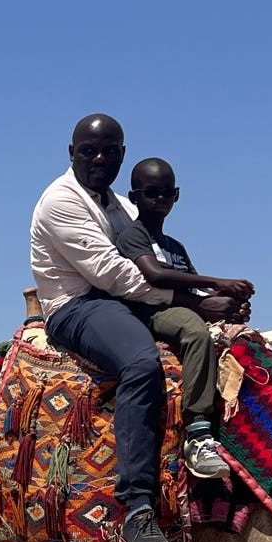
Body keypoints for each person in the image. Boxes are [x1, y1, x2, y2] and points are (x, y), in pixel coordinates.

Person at [28, 116, 180, 542]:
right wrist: (187, 298)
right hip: (77, 306)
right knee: (141, 363)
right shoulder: (61, 202)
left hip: (123, 299)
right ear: (70, 152)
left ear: (123, 154)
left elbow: (151, 255)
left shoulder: (121, 206)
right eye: (90, 150)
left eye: (110, 150)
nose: (100, 159)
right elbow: (111, 274)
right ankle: (136, 509)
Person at [110, 157, 253, 484]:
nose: (159, 199)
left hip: (178, 305)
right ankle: (198, 431)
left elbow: (191, 283)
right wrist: (218, 284)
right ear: (134, 197)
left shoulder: (175, 246)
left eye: (166, 193)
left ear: (176, 195)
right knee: (194, 331)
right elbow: (155, 275)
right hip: (146, 311)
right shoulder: (134, 235)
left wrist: (229, 305)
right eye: (151, 192)